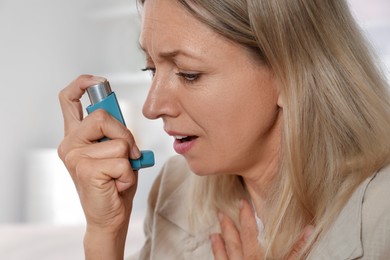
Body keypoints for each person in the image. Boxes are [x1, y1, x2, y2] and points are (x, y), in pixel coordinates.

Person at [57, 0, 390, 259]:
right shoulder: (175, 190)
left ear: (291, 74)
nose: (152, 107)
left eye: (189, 73)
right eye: (151, 68)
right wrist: (105, 234)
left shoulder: (381, 218)